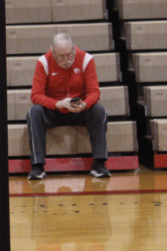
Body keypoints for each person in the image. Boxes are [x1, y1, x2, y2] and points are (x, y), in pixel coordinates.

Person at [26, 33, 109, 181]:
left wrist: (84, 105)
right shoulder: (43, 62)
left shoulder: (86, 60)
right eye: (61, 56)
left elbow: (95, 92)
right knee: (34, 112)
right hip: (54, 109)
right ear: (52, 52)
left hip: (79, 110)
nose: (66, 60)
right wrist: (56, 104)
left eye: (69, 55)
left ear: (74, 50)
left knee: (99, 110)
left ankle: (99, 164)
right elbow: (35, 95)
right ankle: (37, 167)